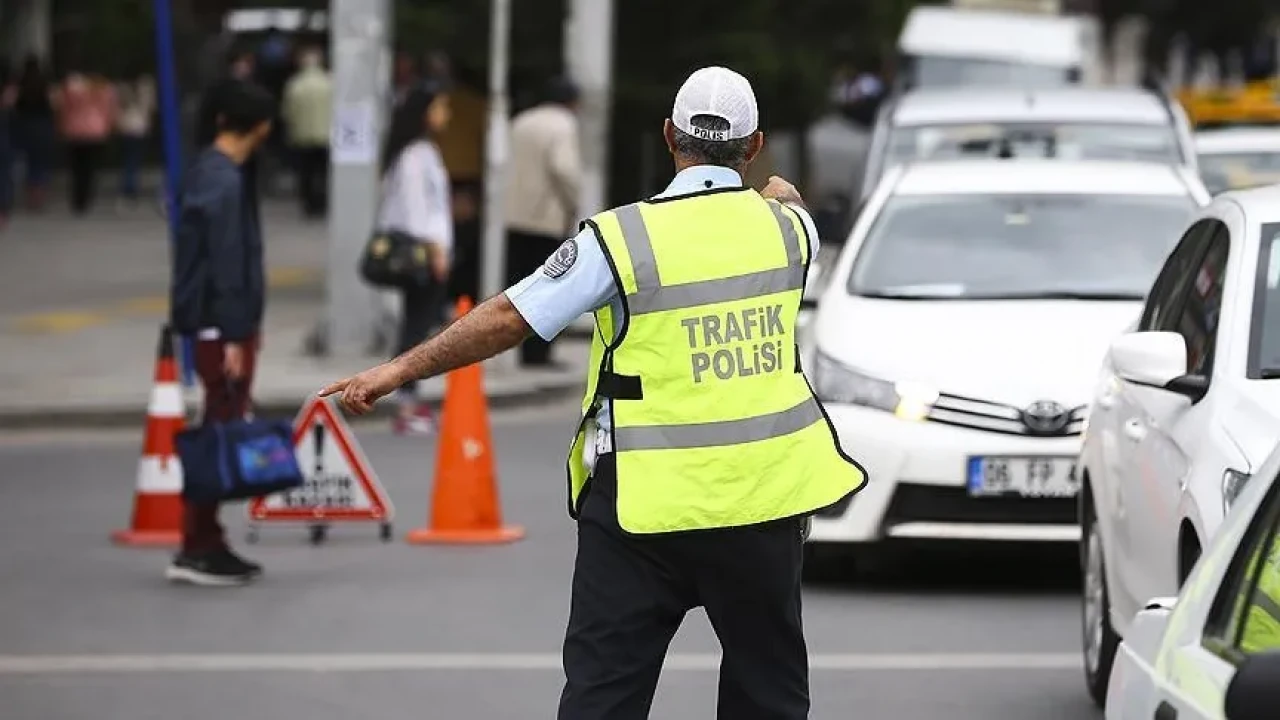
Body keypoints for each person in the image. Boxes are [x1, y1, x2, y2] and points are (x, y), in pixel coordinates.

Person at [320, 66, 867, 718]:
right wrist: (781, 193)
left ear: (670, 136)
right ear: (753, 146)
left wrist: (395, 372)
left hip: (642, 509)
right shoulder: (790, 232)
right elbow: (792, 205)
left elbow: (508, 318)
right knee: (768, 693)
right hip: (761, 505)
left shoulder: (621, 239)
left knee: (604, 698)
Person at [167, 80, 276, 586]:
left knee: (219, 424)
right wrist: (236, 334)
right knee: (218, 431)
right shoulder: (225, 181)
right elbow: (227, 264)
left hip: (215, 325)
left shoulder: (208, 172)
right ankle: (198, 545)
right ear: (261, 126)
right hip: (220, 328)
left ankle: (205, 539)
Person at [374, 81, 453, 435]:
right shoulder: (415, 156)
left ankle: (409, 397)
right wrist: (435, 250)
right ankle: (406, 401)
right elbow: (417, 210)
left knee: (417, 323)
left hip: (427, 251)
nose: (445, 114)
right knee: (416, 327)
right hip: (422, 253)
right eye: (440, 107)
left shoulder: (421, 151)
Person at [503, 76, 582, 367]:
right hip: (546, 217)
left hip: (515, 214)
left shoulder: (521, 121)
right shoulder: (563, 124)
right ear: (572, 102)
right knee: (550, 286)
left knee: (521, 285)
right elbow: (564, 168)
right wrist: (573, 201)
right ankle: (539, 353)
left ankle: (522, 350)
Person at [53, 69, 117, 215]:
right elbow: (109, 110)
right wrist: (109, 127)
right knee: (90, 168)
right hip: (96, 131)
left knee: (76, 168)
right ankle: (87, 197)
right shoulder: (104, 88)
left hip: (74, 130)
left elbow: (63, 108)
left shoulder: (71, 87)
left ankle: (78, 198)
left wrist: (60, 126)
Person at [282, 46, 332, 218]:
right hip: (325, 135)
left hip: (302, 136)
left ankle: (309, 203)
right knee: (323, 172)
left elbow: (288, 112)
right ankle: (323, 202)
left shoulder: (294, 85)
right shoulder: (329, 83)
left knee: (306, 172)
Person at [11, 54, 54, 212]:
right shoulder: (44, 83)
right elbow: (51, 106)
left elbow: (14, 107)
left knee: (28, 162)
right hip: (42, 126)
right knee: (40, 162)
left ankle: (30, 196)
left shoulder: (20, 84)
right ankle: (39, 196)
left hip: (25, 126)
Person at [114, 71, 156, 209]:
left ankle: (129, 187)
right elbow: (151, 108)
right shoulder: (146, 88)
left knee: (129, 158)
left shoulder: (122, 89)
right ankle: (130, 187)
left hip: (127, 126)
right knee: (134, 159)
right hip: (139, 127)